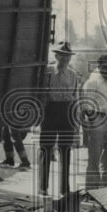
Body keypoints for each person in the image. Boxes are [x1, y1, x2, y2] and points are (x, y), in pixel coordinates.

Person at [37, 41, 80, 197]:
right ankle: (43, 187)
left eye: (67, 57)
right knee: (46, 149)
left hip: (67, 112)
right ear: (56, 56)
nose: (64, 60)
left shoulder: (73, 75)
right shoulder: (47, 72)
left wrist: (75, 122)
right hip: (50, 111)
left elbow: (76, 98)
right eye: (62, 57)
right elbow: (40, 95)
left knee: (65, 150)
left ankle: (64, 189)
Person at [82, 53, 107, 189]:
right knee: (95, 157)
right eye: (105, 66)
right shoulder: (92, 82)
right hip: (99, 119)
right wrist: (93, 121)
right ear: (99, 66)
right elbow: (86, 104)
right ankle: (92, 191)